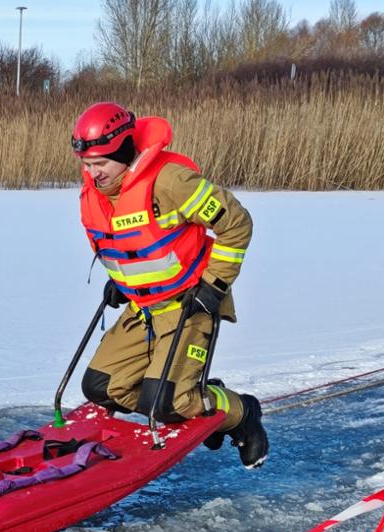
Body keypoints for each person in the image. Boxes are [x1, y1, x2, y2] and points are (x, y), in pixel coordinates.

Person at [70, 101, 269, 468]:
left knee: (164, 404)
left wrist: (216, 285)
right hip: (143, 309)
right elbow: (131, 244)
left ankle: (239, 412)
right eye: (87, 165)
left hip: (190, 303)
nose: (93, 174)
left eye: (101, 165)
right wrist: (120, 281)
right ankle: (189, 397)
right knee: (100, 387)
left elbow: (236, 223)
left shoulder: (170, 182)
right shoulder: (95, 194)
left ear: (125, 152)